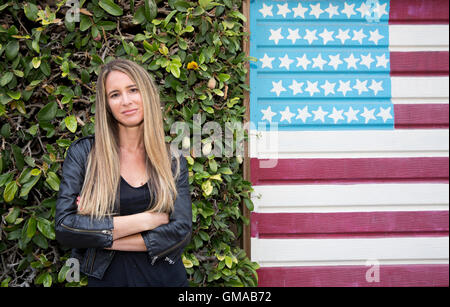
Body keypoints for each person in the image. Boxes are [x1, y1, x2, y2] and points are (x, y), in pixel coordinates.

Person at [55, 58, 192, 287]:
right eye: (115, 94)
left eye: (133, 90)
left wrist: (97, 235)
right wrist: (149, 220)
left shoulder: (171, 159)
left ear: (146, 94)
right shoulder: (84, 155)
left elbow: (180, 231)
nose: (126, 101)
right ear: (106, 104)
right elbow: (65, 228)